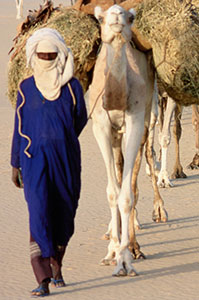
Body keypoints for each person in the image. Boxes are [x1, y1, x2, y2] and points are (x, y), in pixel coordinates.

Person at [11, 28, 87, 297]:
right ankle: (42, 278)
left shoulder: (72, 87)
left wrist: (62, 138)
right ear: (34, 56)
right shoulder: (25, 87)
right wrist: (15, 163)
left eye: (51, 55)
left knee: (64, 215)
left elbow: (80, 118)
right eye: (41, 55)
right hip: (34, 163)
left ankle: (57, 267)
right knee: (39, 215)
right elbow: (18, 127)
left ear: (60, 56)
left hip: (66, 160)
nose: (45, 59)